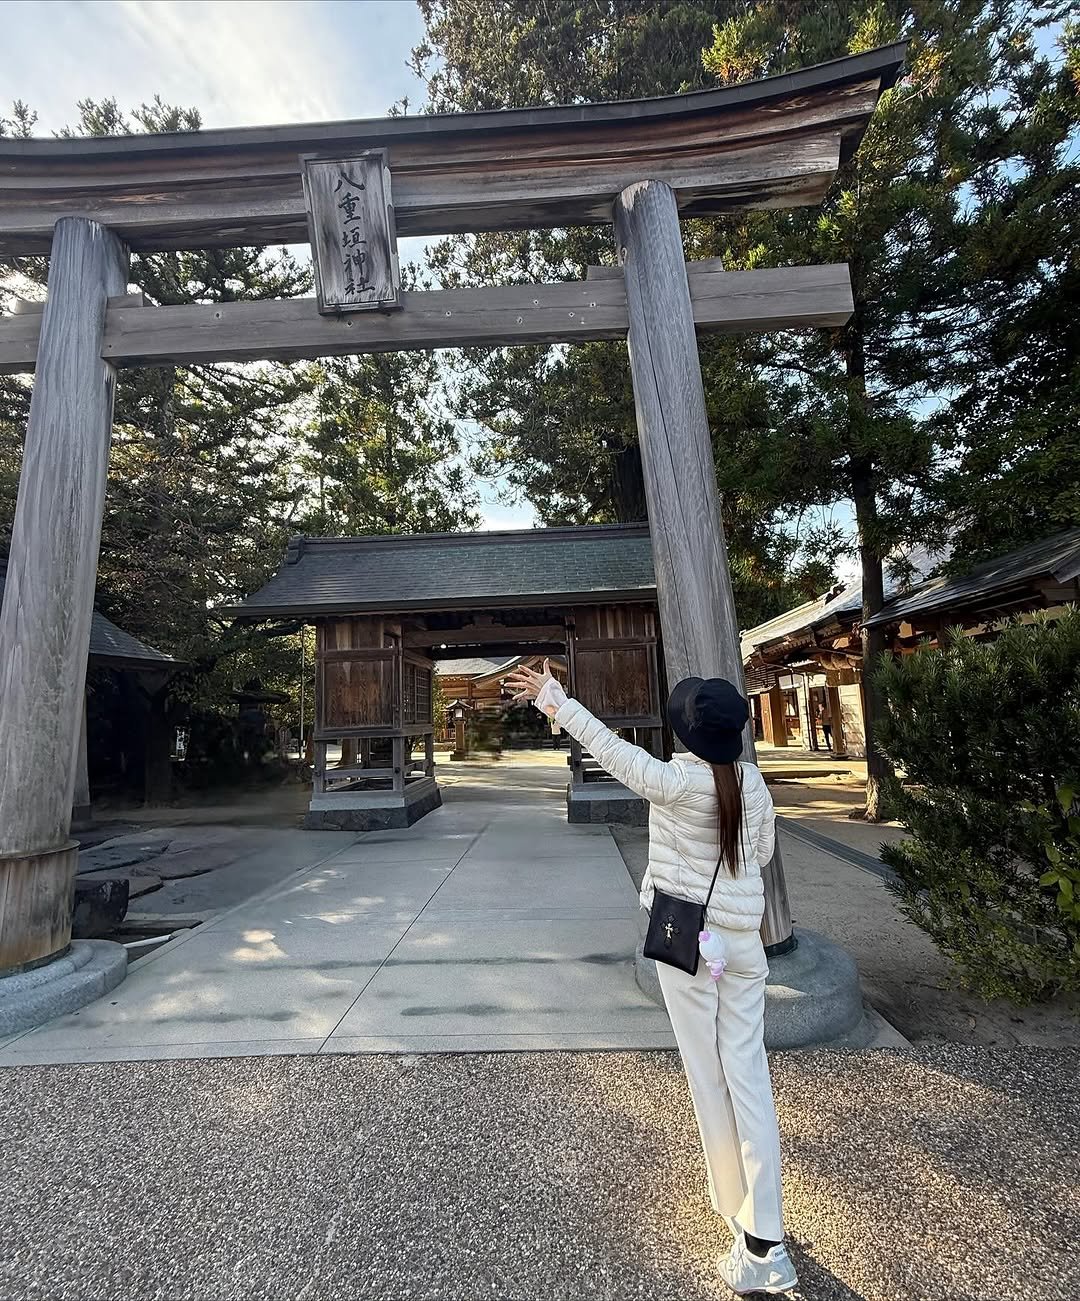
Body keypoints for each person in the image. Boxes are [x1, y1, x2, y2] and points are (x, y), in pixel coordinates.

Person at [506, 659, 797, 1296]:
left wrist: (552, 697)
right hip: (742, 948)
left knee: (705, 1073)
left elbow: (609, 750)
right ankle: (765, 1236)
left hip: (692, 943)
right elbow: (764, 855)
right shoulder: (752, 785)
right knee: (748, 1076)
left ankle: (733, 1205)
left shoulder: (674, 782)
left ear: (687, 735)